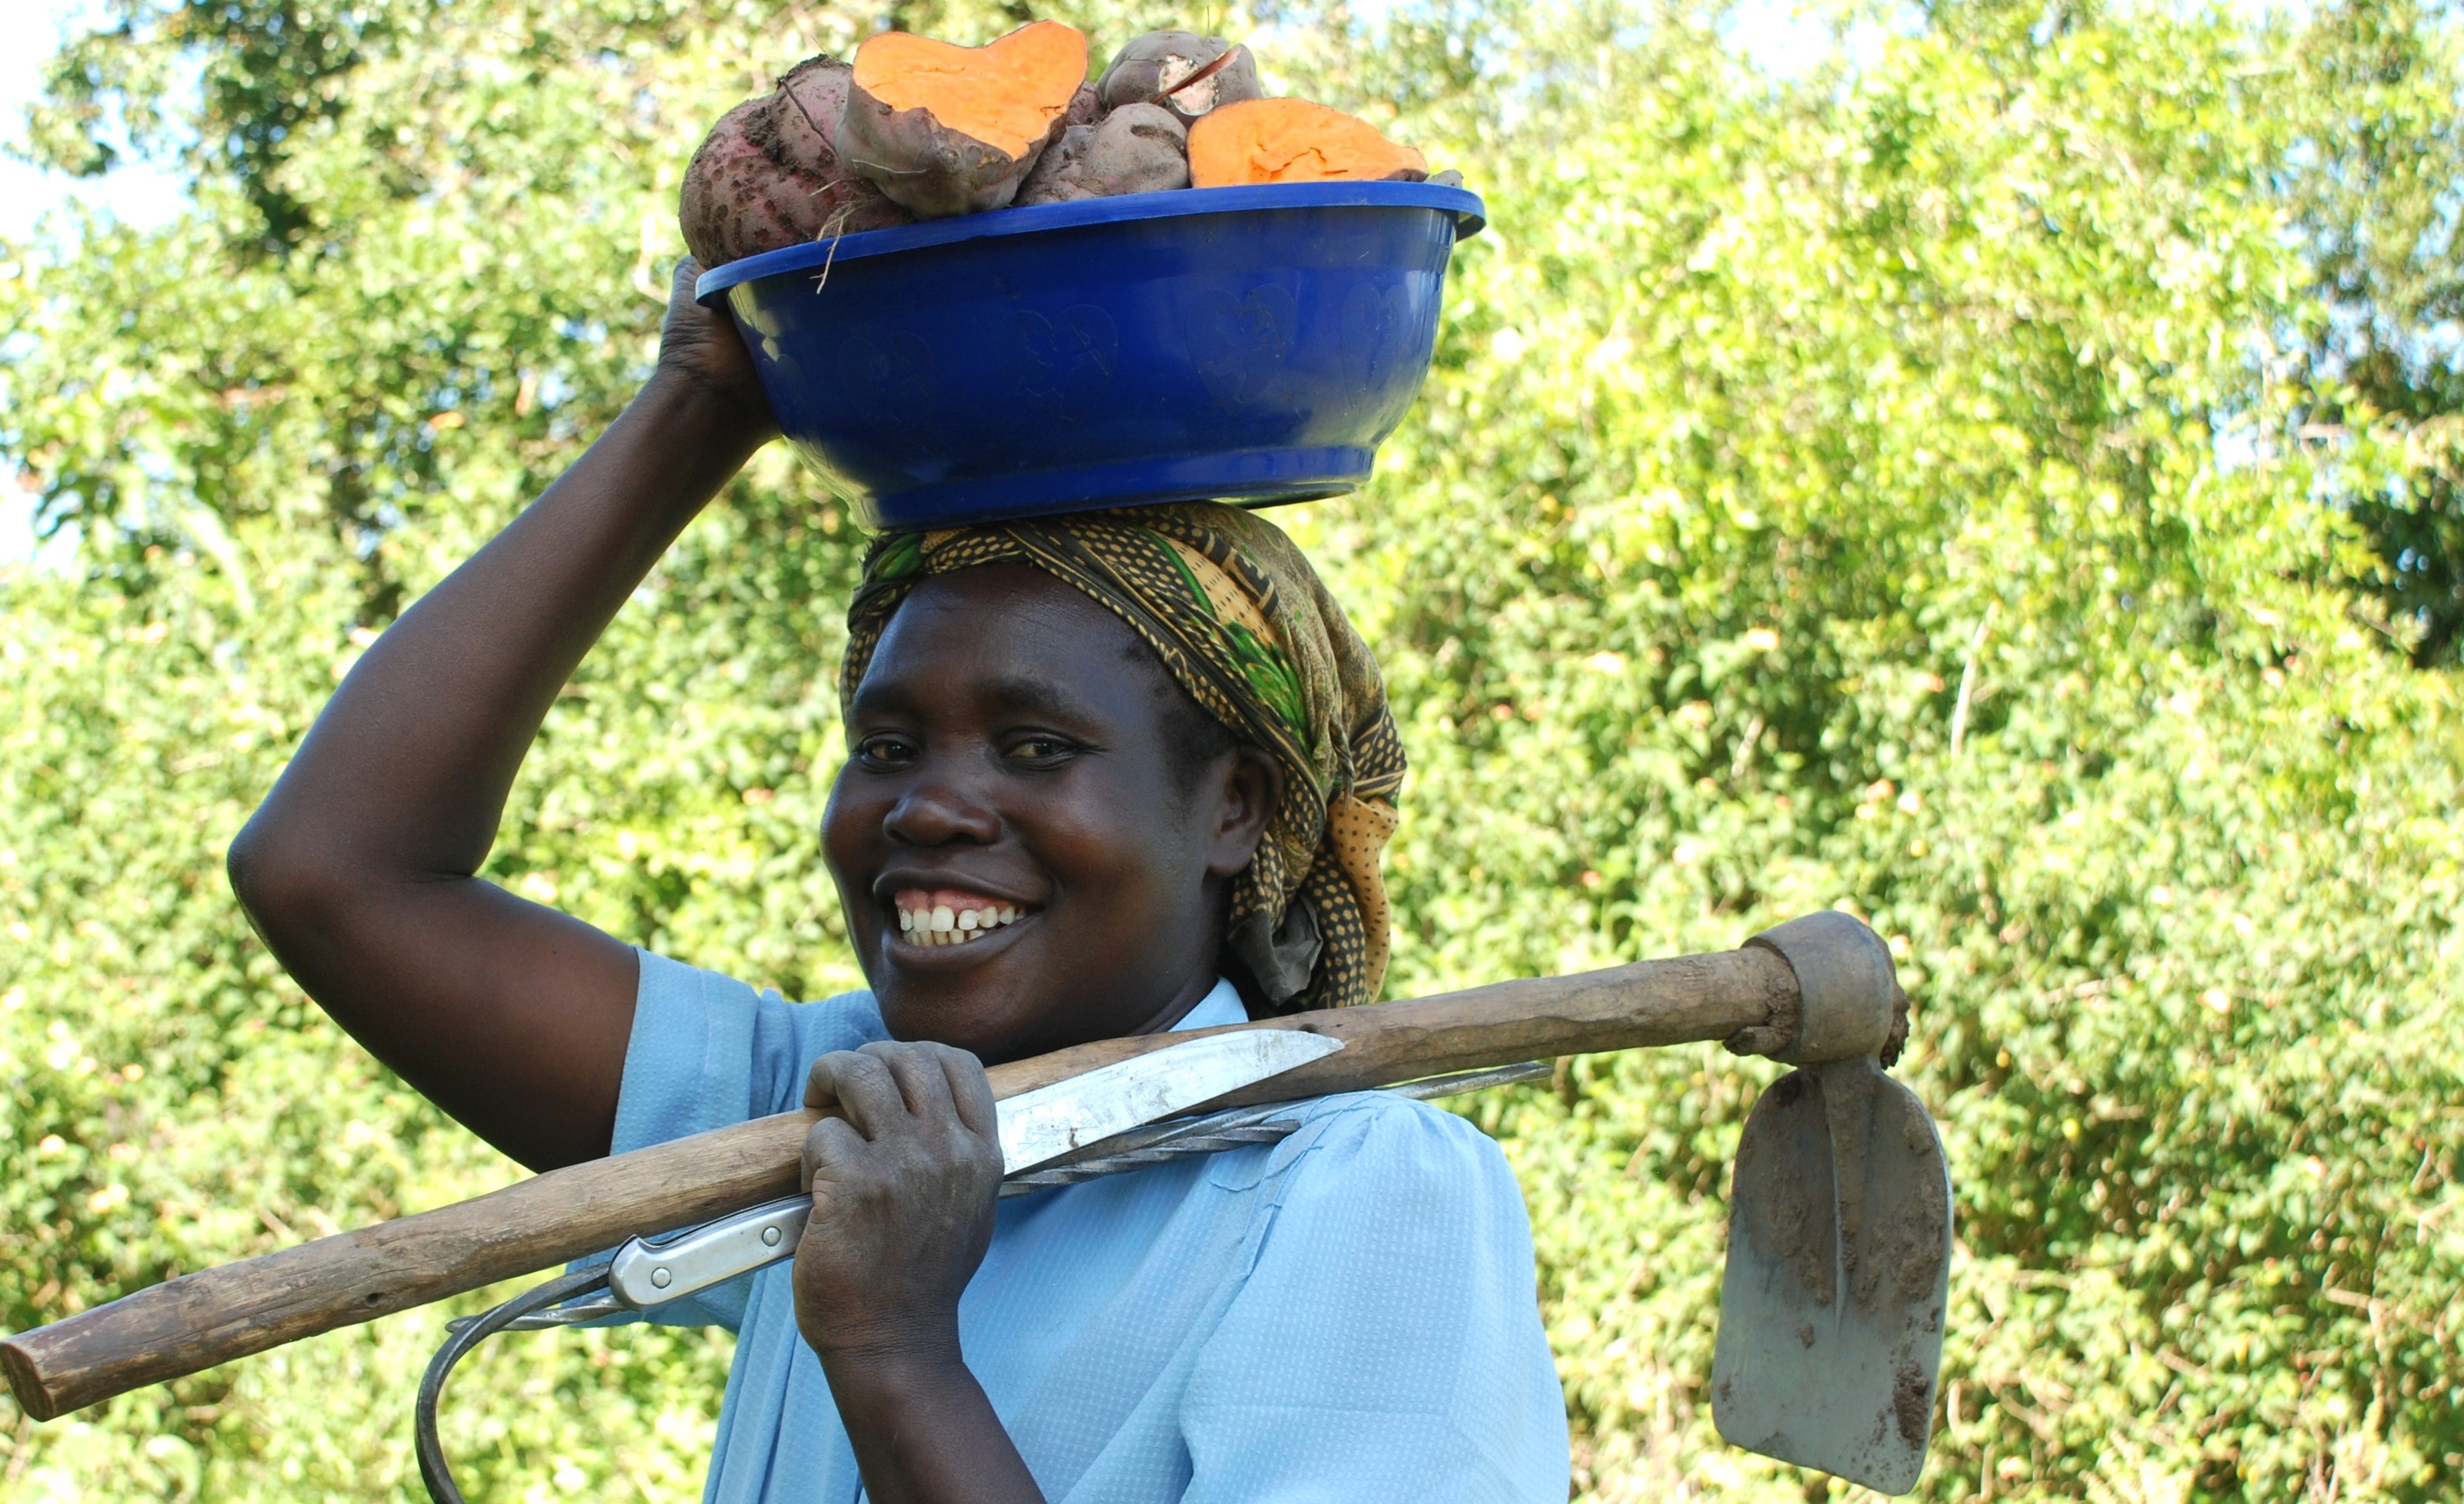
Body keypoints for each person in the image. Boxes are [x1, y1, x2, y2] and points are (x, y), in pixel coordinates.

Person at [227, 261, 1571, 1503]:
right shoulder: (821, 1113)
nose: (927, 804)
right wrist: (697, 407)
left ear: (1235, 808)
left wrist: (894, 1345)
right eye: (885, 744)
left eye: (1037, 745)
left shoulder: (1359, 1191)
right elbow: (337, 873)